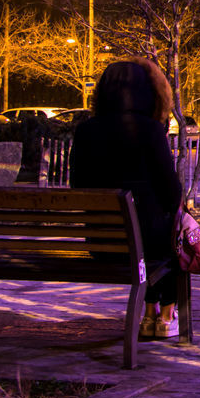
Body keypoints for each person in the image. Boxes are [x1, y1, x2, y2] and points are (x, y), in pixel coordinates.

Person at [70, 58, 184, 339]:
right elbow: (172, 193)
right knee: (168, 232)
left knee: (148, 234)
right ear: (146, 92)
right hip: (147, 245)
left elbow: (78, 188)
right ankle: (166, 315)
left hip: (104, 243)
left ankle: (148, 313)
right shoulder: (150, 130)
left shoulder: (85, 131)